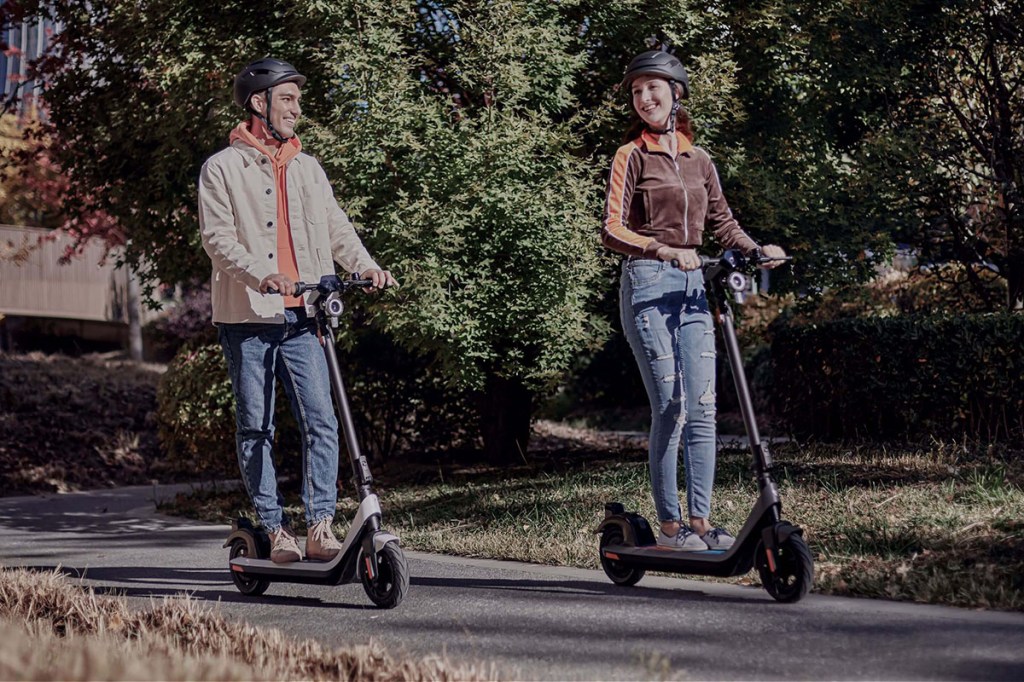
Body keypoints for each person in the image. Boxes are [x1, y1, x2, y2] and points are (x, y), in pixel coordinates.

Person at [198, 57, 396, 564]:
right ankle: (273, 528)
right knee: (255, 426)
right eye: (287, 99)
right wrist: (258, 274)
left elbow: (336, 226)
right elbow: (217, 240)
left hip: (304, 316)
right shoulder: (222, 168)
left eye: (297, 100)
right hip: (248, 317)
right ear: (258, 103)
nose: (296, 110)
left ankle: (320, 525)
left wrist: (367, 266)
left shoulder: (308, 167)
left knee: (322, 421)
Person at [601, 50, 787, 551]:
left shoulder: (700, 159)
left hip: (692, 287)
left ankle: (701, 523)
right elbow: (612, 229)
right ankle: (668, 528)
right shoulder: (630, 156)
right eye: (637, 91)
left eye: (652, 88)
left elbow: (722, 223)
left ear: (675, 92)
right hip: (647, 283)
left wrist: (755, 250)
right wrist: (662, 248)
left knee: (704, 408)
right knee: (673, 407)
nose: (644, 98)